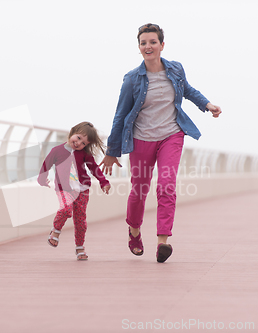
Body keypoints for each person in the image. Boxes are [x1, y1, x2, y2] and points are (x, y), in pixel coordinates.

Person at [99, 23, 222, 263]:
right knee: (139, 190)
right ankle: (134, 231)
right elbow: (120, 115)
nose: (148, 46)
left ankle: (162, 242)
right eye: (143, 43)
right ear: (139, 47)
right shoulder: (132, 79)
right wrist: (112, 151)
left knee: (166, 185)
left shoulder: (175, 69)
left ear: (162, 45)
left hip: (171, 135)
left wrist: (206, 105)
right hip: (141, 139)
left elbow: (187, 89)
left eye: (153, 42)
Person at [38, 121, 111, 261]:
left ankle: (80, 246)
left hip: (82, 190)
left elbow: (94, 168)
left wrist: (104, 182)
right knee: (66, 210)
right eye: (78, 138)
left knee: (81, 220)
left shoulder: (84, 154)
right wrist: (42, 179)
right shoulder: (56, 151)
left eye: (83, 143)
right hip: (64, 188)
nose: (78, 143)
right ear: (72, 132)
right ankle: (56, 231)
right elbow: (46, 165)